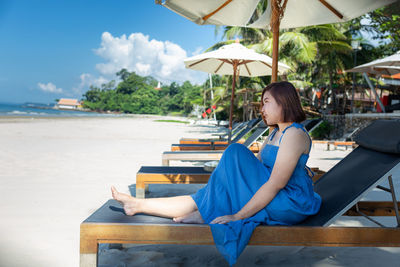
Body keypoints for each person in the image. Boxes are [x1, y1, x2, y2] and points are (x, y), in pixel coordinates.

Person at [111, 81, 321, 265]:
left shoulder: (294, 134)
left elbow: (276, 183)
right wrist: (228, 177)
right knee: (209, 192)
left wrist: (237, 215)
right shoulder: (275, 132)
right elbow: (253, 170)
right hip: (272, 193)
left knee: (234, 152)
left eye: (266, 101)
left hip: (288, 202)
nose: (261, 108)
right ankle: (138, 204)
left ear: (283, 102)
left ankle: (203, 212)